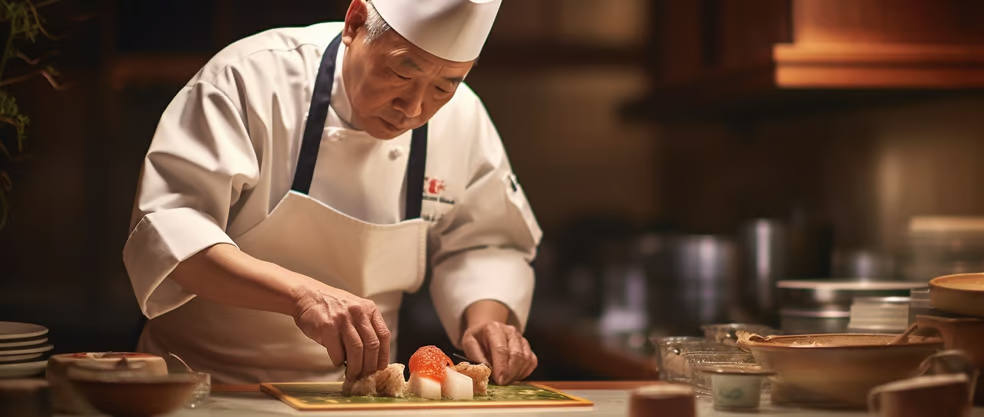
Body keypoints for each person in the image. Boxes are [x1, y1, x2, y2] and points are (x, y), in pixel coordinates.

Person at [121, 0, 542, 386]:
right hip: (202, 381)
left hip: (357, 393)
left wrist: (486, 319)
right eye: (400, 73)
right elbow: (172, 231)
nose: (414, 109)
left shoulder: (464, 117)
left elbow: (487, 241)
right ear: (355, 23)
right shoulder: (249, 79)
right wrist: (302, 295)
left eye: (444, 87)